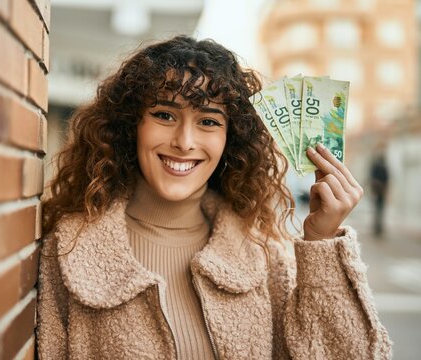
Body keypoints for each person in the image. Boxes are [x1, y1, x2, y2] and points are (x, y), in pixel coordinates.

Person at [37, 36, 391, 359]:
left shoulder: (262, 256)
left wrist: (322, 240)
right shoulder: (69, 250)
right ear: (131, 126)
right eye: (164, 115)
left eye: (208, 122)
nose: (184, 141)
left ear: (229, 141)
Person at [370, 152, 389, 237]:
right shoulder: (379, 167)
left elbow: (387, 180)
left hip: (379, 191)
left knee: (379, 210)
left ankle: (378, 227)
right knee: (378, 210)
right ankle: (377, 228)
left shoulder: (380, 167)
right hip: (379, 191)